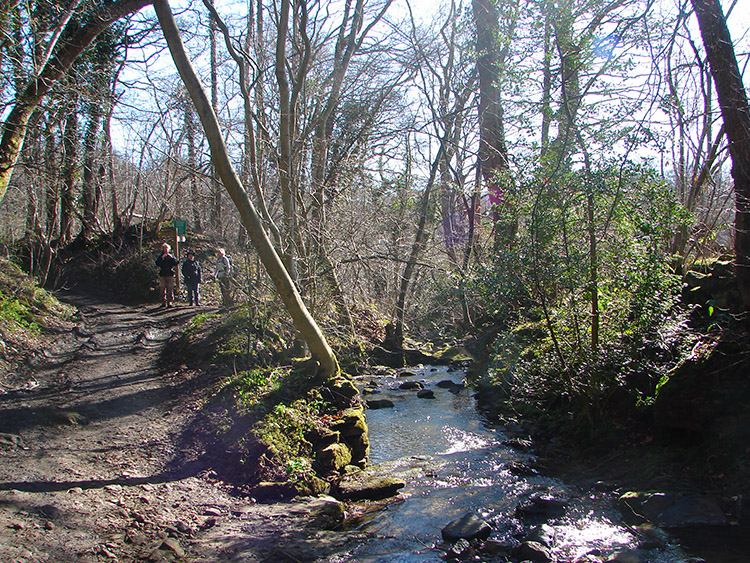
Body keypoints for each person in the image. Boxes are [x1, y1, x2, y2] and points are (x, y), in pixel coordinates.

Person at [155, 243, 179, 307]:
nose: (165, 249)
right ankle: (163, 302)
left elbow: (176, 262)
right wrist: (162, 258)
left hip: (170, 274)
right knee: (162, 288)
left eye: (167, 248)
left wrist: (172, 258)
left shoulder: (171, 256)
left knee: (170, 288)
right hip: (162, 274)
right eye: (164, 248)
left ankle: (170, 302)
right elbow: (157, 264)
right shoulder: (160, 256)